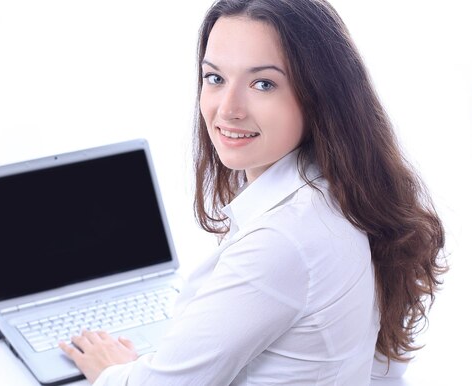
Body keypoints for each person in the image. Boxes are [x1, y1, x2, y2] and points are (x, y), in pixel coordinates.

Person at [59, 0, 448, 384]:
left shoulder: (285, 239)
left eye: (263, 84)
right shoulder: (345, 193)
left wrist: (112, 371)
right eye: (215, 78)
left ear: (321, 96)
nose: (228, 109)